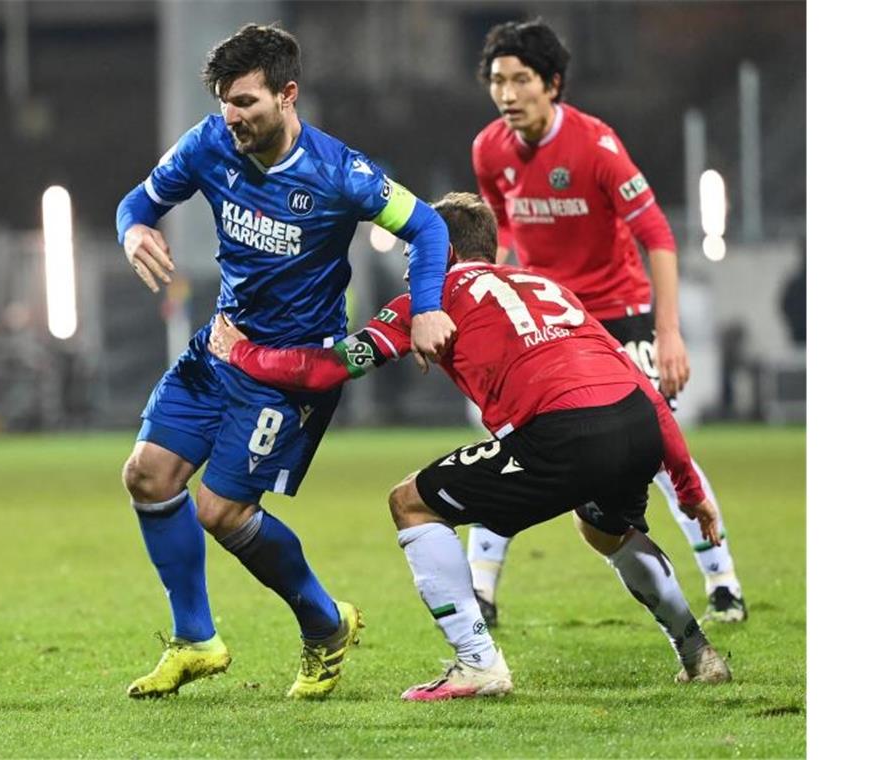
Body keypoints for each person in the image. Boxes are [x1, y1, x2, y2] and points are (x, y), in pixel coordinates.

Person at [208, 191, 732, 700]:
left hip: (562, 434)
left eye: (418, 249)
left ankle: (477, 663)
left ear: (445, 252)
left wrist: (244, 354)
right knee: (603, 526)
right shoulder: (543, 286)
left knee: (410, 502)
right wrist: (688, 489)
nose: (413, 267)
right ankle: (698, 653)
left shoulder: (428, 301)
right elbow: (645, 389)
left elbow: (328, 370)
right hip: (634, 423)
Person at [114, 23, 455, 700]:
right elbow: (138, 202)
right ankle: (196, 641)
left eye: (245, 102)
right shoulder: (209, 144)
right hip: (220, 348)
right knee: (148, 476)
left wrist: (425, 307)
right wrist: (134, 231)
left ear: (287, 94)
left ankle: (324, 623)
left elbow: (428, 226)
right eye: (223, 103)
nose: (232, 117)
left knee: (220, 510)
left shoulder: (341, 173)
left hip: (289, 370)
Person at [468, 19, 747, 625]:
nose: (508, 94)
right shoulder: (489, 149)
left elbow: (658, 236)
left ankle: (722, 581)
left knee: (657, 446)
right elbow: (501, 228)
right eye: (497, 81)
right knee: (513, 444)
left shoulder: (596, 146)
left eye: (521, 80)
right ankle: (481, 592)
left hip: (621, 316)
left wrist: (667, 332)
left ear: (553, 84)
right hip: (551, 321)